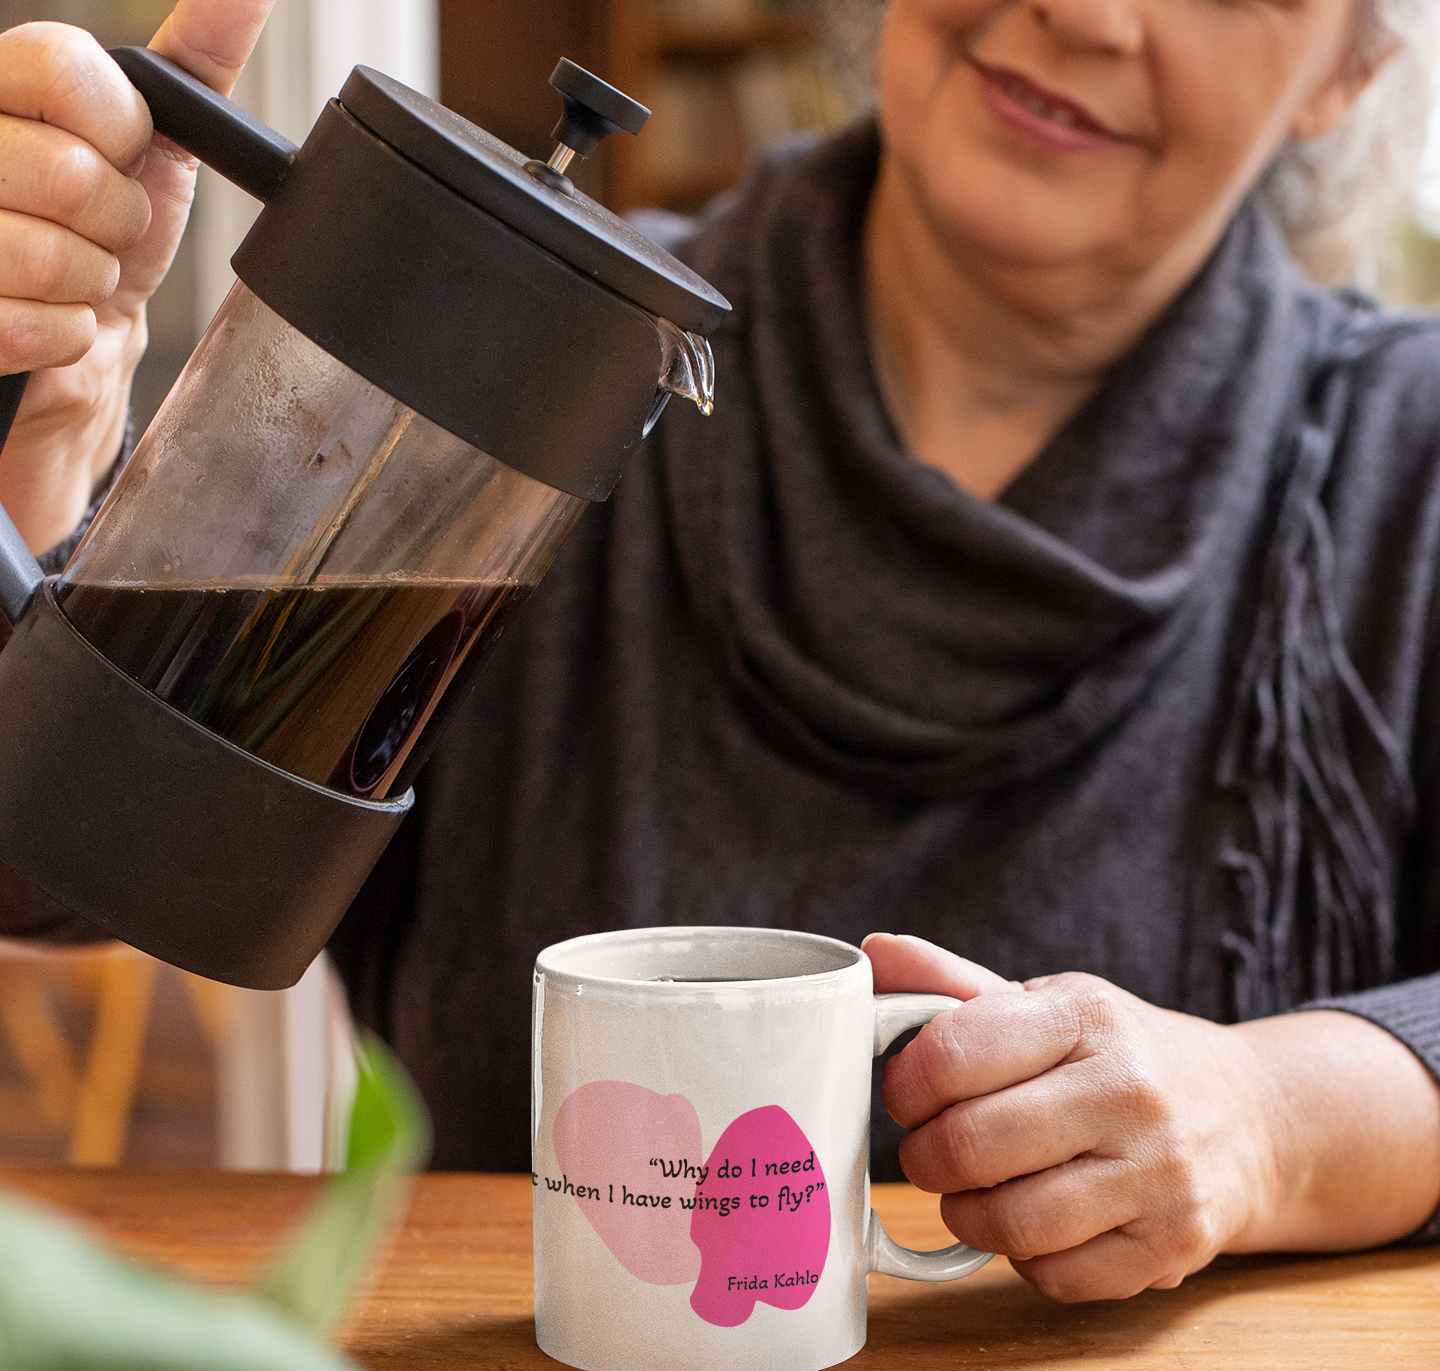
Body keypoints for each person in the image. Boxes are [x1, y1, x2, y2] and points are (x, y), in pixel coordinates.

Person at [1, 0, 1438, 1304]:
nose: (1082, 11)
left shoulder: (1406, 468)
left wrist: (1273, 1118)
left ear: (1352, 69)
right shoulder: (535, 363)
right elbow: (57, 847)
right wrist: (41, 469)